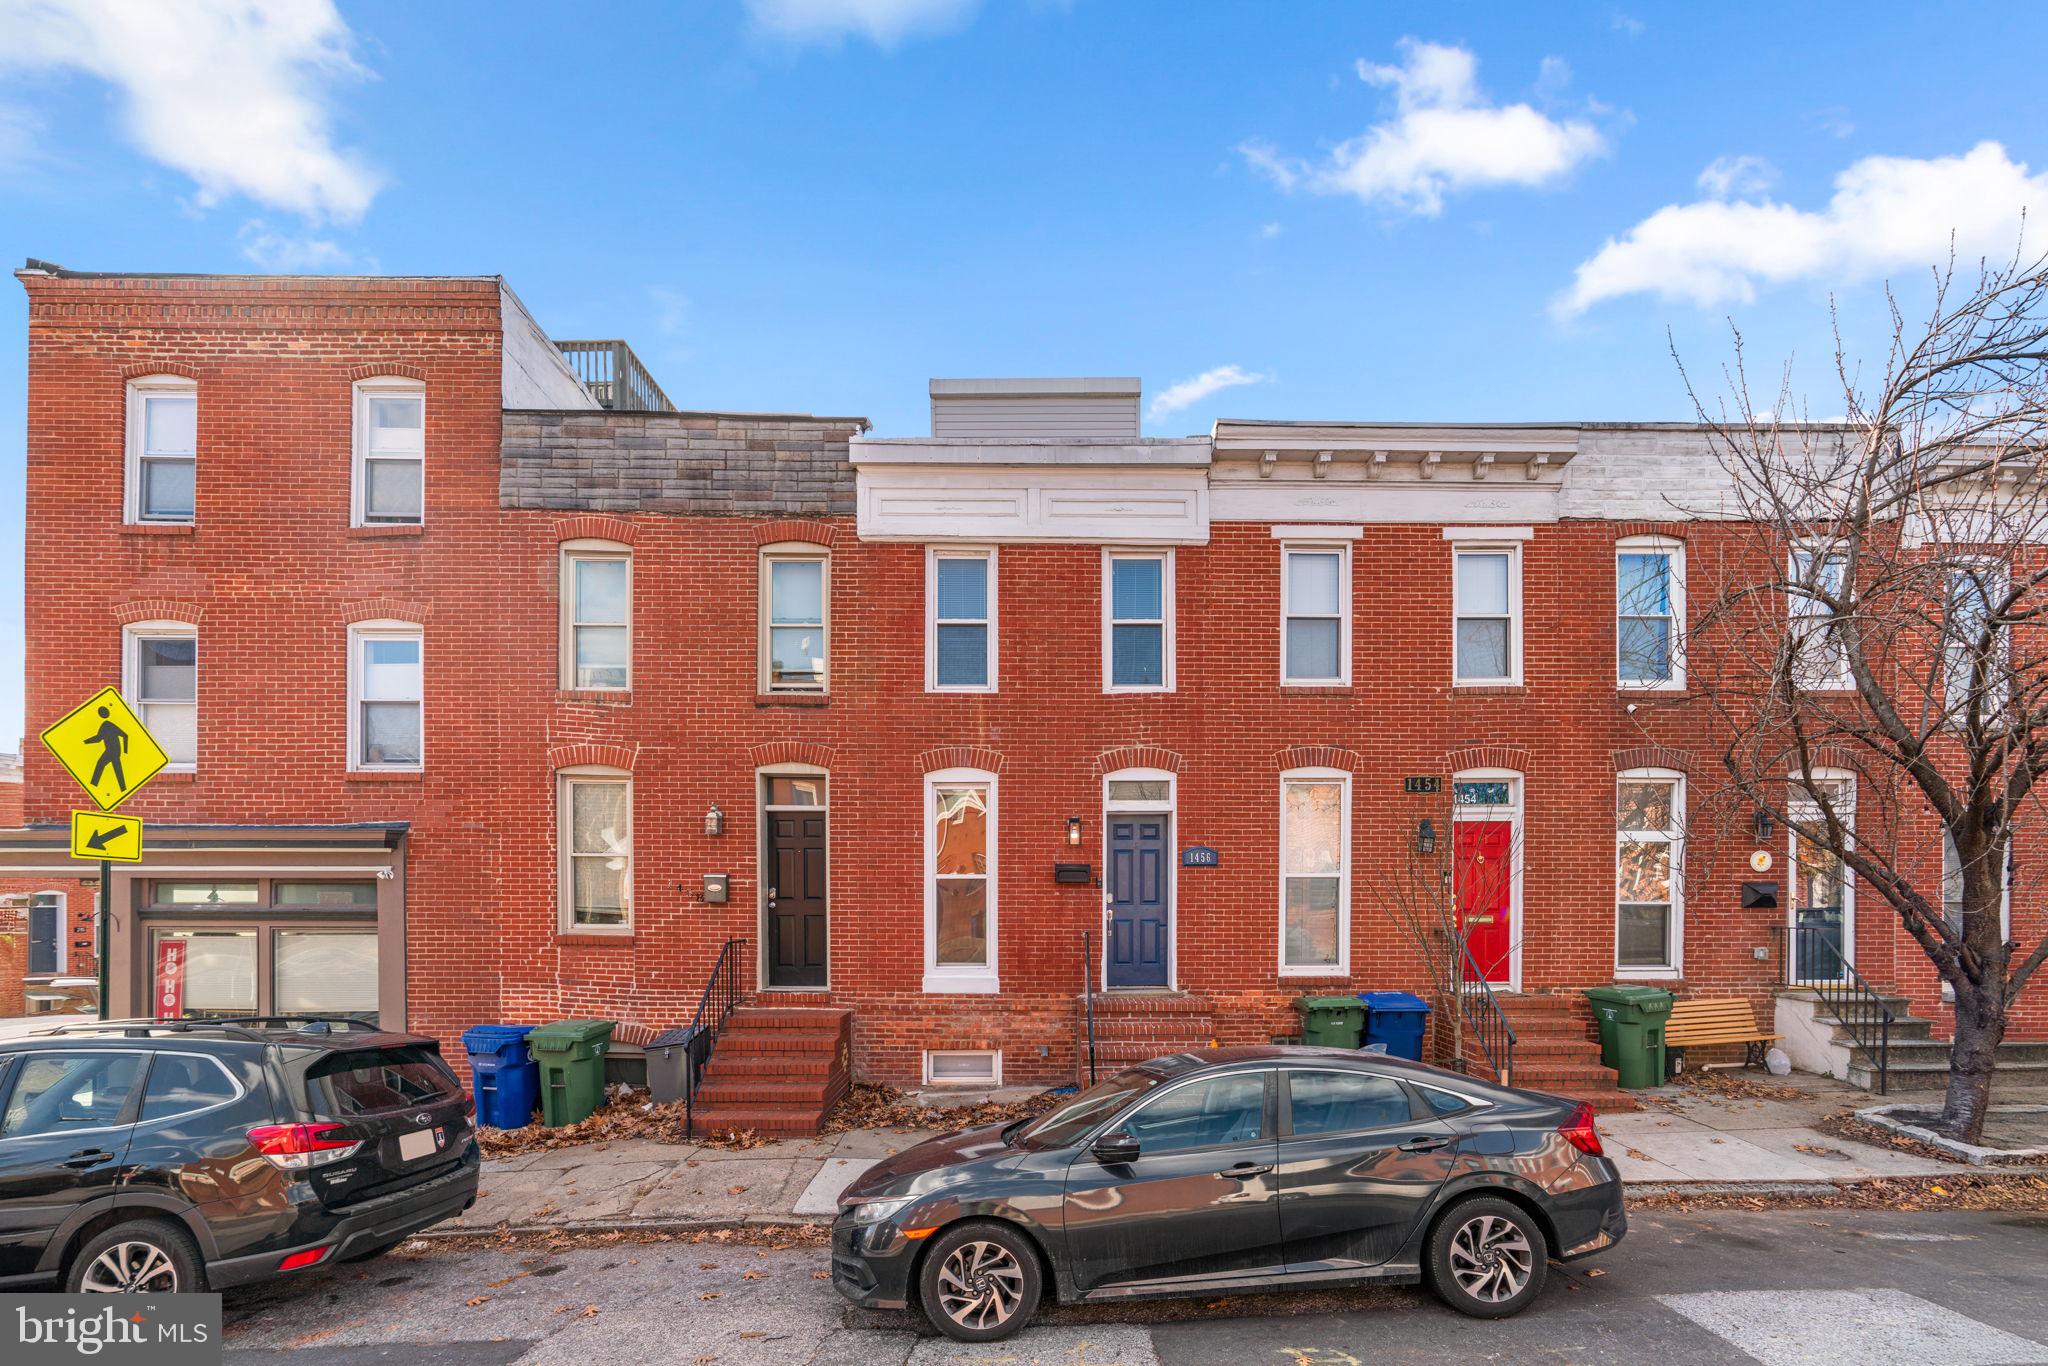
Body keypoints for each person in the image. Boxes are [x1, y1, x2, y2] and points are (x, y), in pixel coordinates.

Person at [86, 705, 128, 792]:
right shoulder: (109, 724)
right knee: (118, 770)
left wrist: (85, 742)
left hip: (111, 751)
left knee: (100, 764)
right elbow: (125, 735)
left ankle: (94, 785)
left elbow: (98, 739)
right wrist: (123, 751)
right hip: (116, 751)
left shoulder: (106, 725)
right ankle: (123, 788)